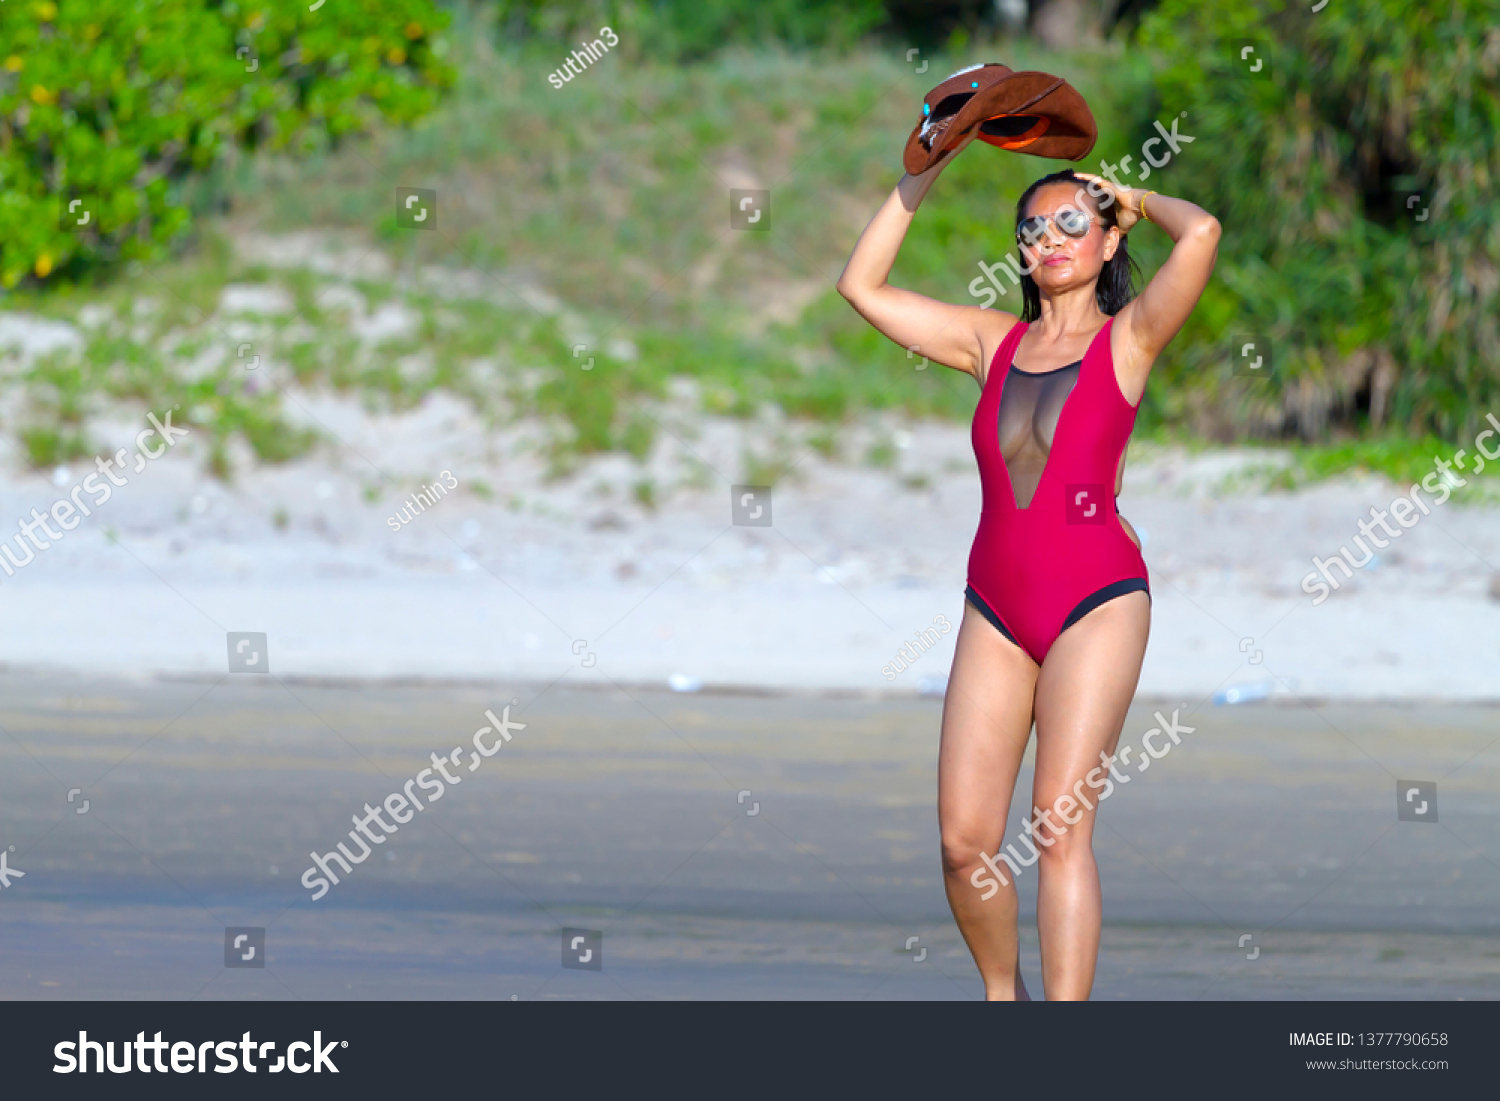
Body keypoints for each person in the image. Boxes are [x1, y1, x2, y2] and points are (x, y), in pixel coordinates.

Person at [836, 158, 1219, 999]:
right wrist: (921, 171)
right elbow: (861, 286)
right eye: (1033, 229)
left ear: (1109, 236)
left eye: (1073, 224)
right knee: (964, 841)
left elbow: (1203, 235)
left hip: (1099, 599)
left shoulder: (1131, 336)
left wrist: (1137, 196)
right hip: (995, 604)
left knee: (1057, 827)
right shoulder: (989, 341)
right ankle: (1003, 1001)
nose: (1051, 240)